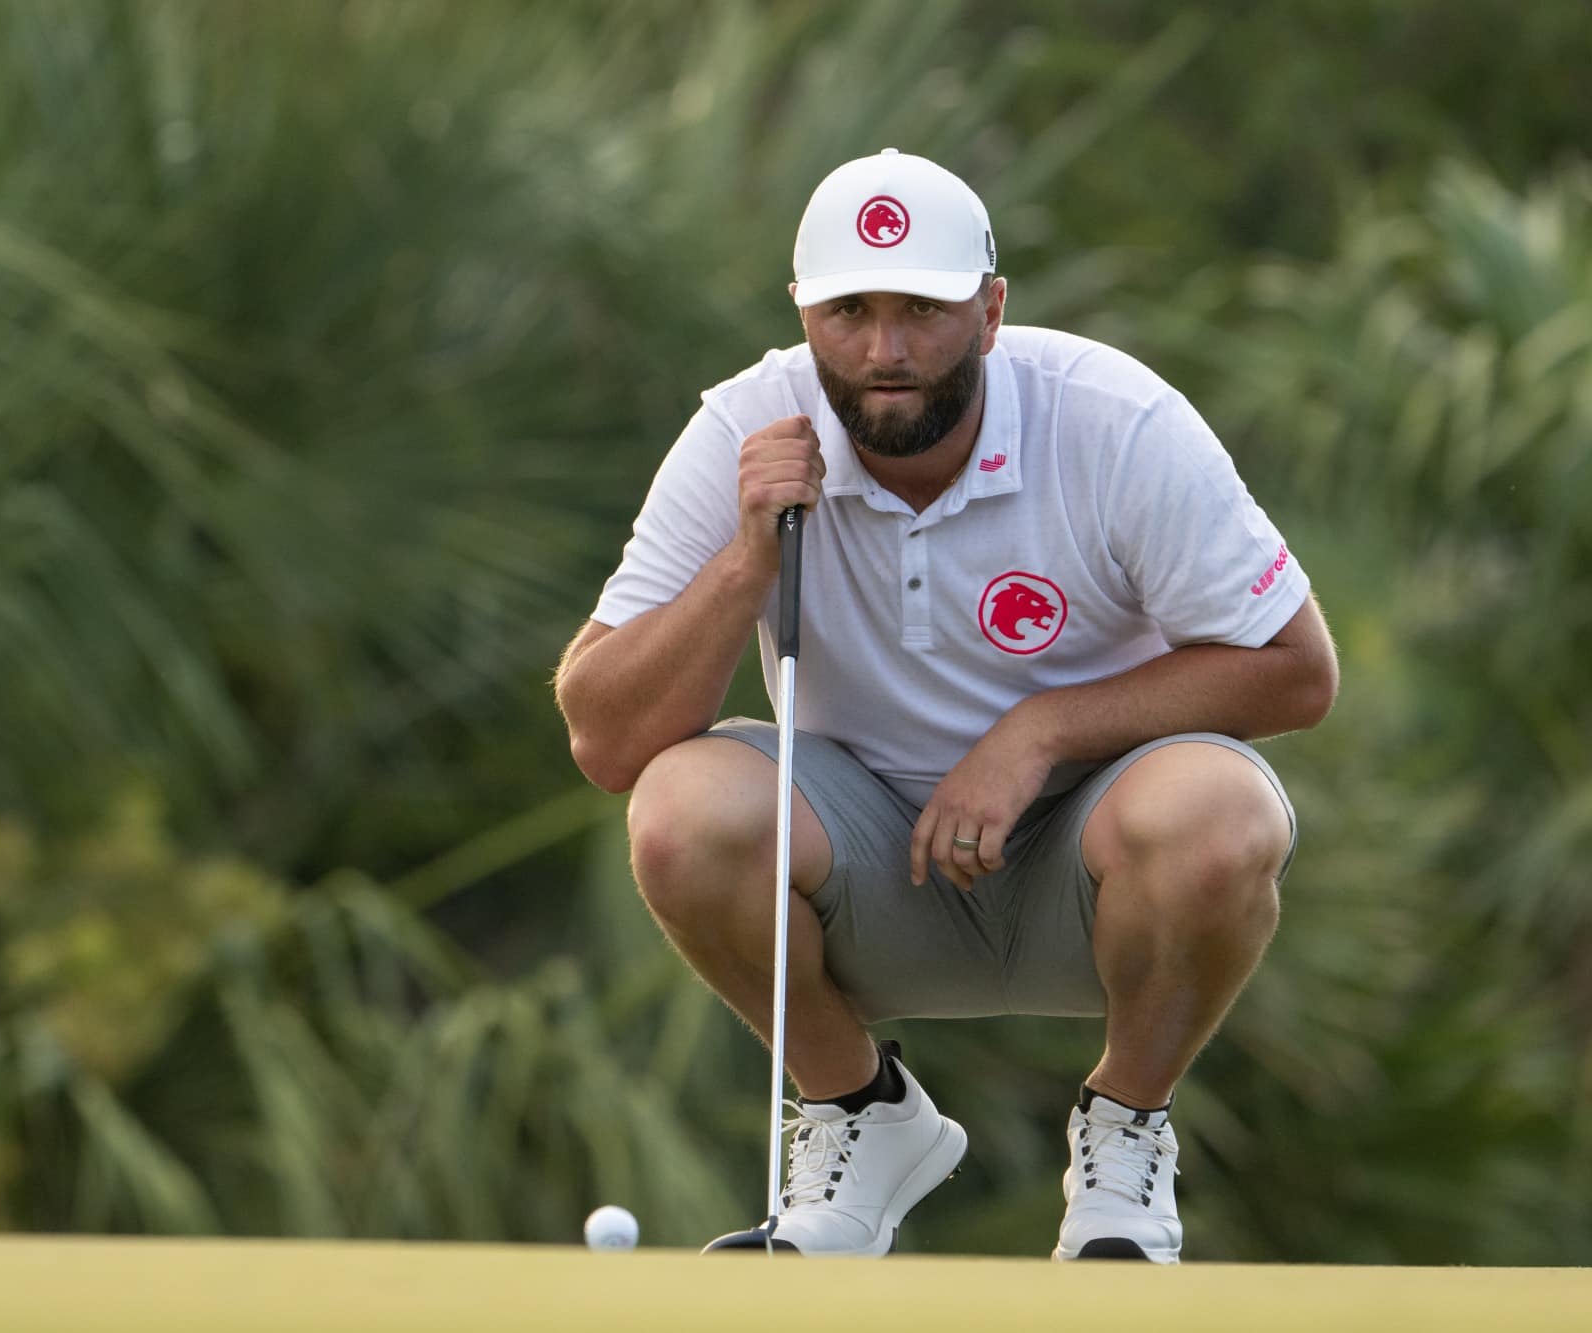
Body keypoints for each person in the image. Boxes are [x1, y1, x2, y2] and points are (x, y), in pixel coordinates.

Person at [552, 148, 1338, 1262]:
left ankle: (1122, 1138)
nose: (883, 350)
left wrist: (1038, 731)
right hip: (865, 882)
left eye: (921, 308)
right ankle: (860, 1115)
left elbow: (1297, 669)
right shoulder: (747, 426)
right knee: (678, 807)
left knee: (1220, 811)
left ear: (990, 308)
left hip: (1095, 871)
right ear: (801, 312)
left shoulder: (1111, 419)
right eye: (848, 311)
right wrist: (742, 564)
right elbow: (603, 737)